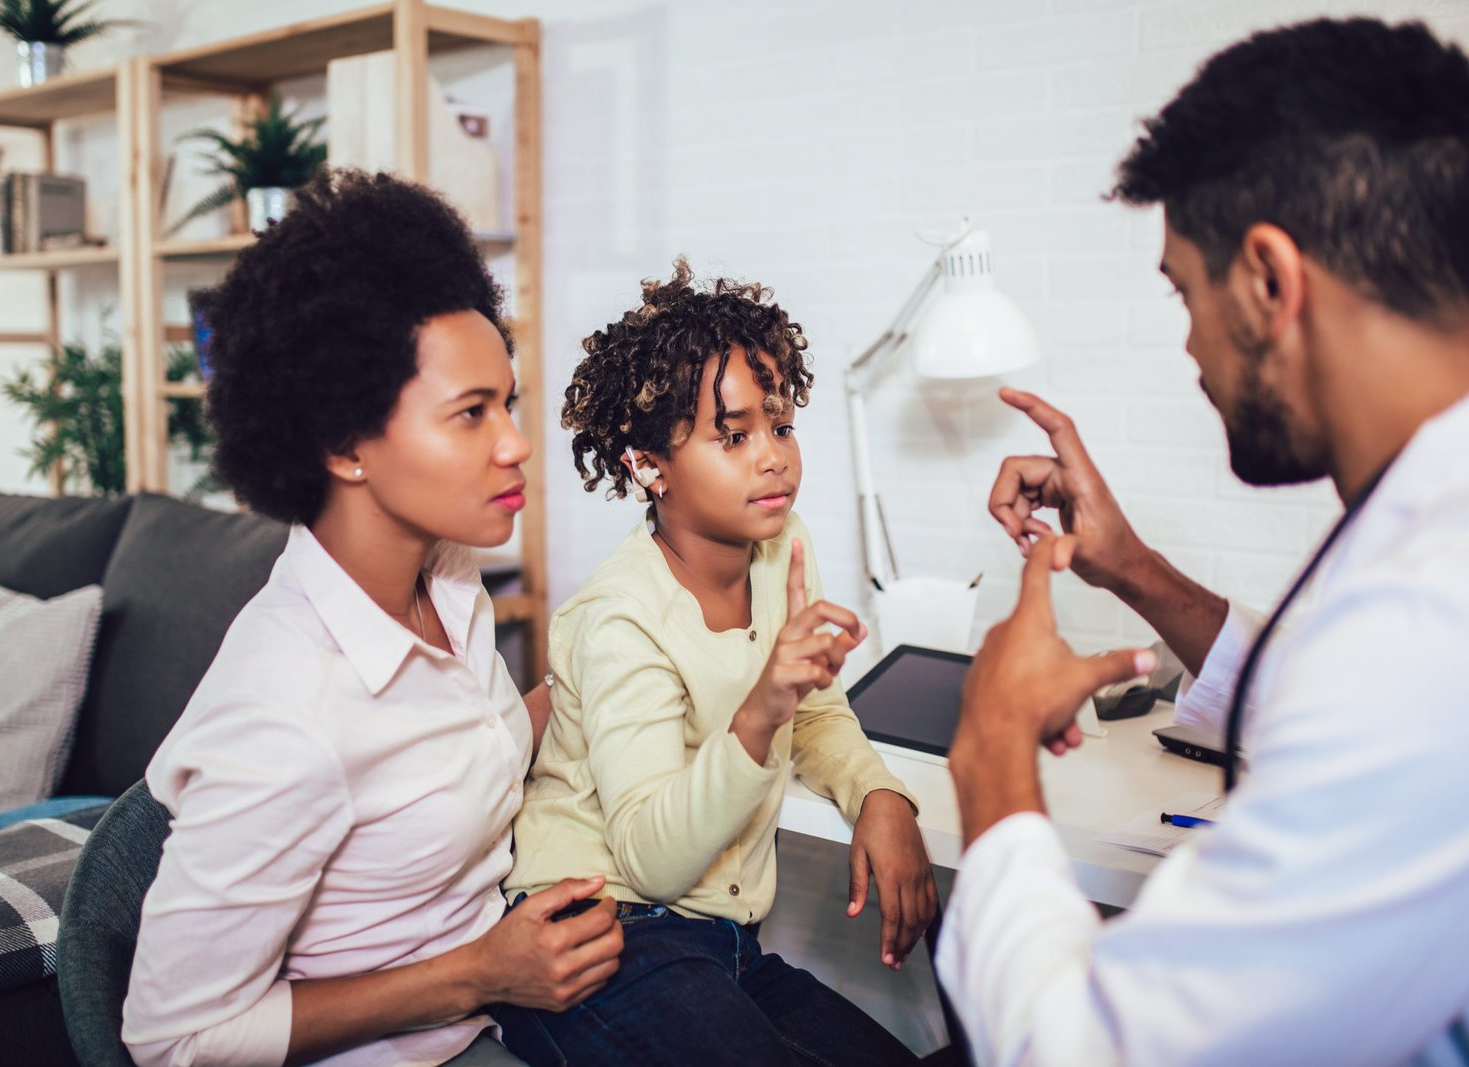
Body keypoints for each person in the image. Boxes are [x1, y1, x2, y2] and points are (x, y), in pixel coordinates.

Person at [936, 16, 1469, 1066]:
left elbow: (1079, 1051)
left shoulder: (1424, 622)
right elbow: (1324, 711)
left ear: (1269, 279)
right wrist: (1126, 563)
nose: (1186, 344)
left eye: (1184, 292)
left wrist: (992, 745)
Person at [121, 170, 623, 1067]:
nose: (514, 441)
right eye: (470, 414)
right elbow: (173, 1038)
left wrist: (612, 669)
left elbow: (471, 744)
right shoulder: (288, 711)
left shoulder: (450, 576)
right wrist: (479, 971)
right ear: (344, 445)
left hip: (510, 1004)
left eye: (505, 401)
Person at [494, 262, 933, 1065]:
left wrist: (877, 791)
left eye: (780, 424)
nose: (771, 457)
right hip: (599, 932)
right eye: (732, 436)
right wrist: (761, 708)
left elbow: (815, 708)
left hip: (722, 941)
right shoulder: (619, 616)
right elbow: (651, 857)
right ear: (647, 466)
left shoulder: (782, 543)